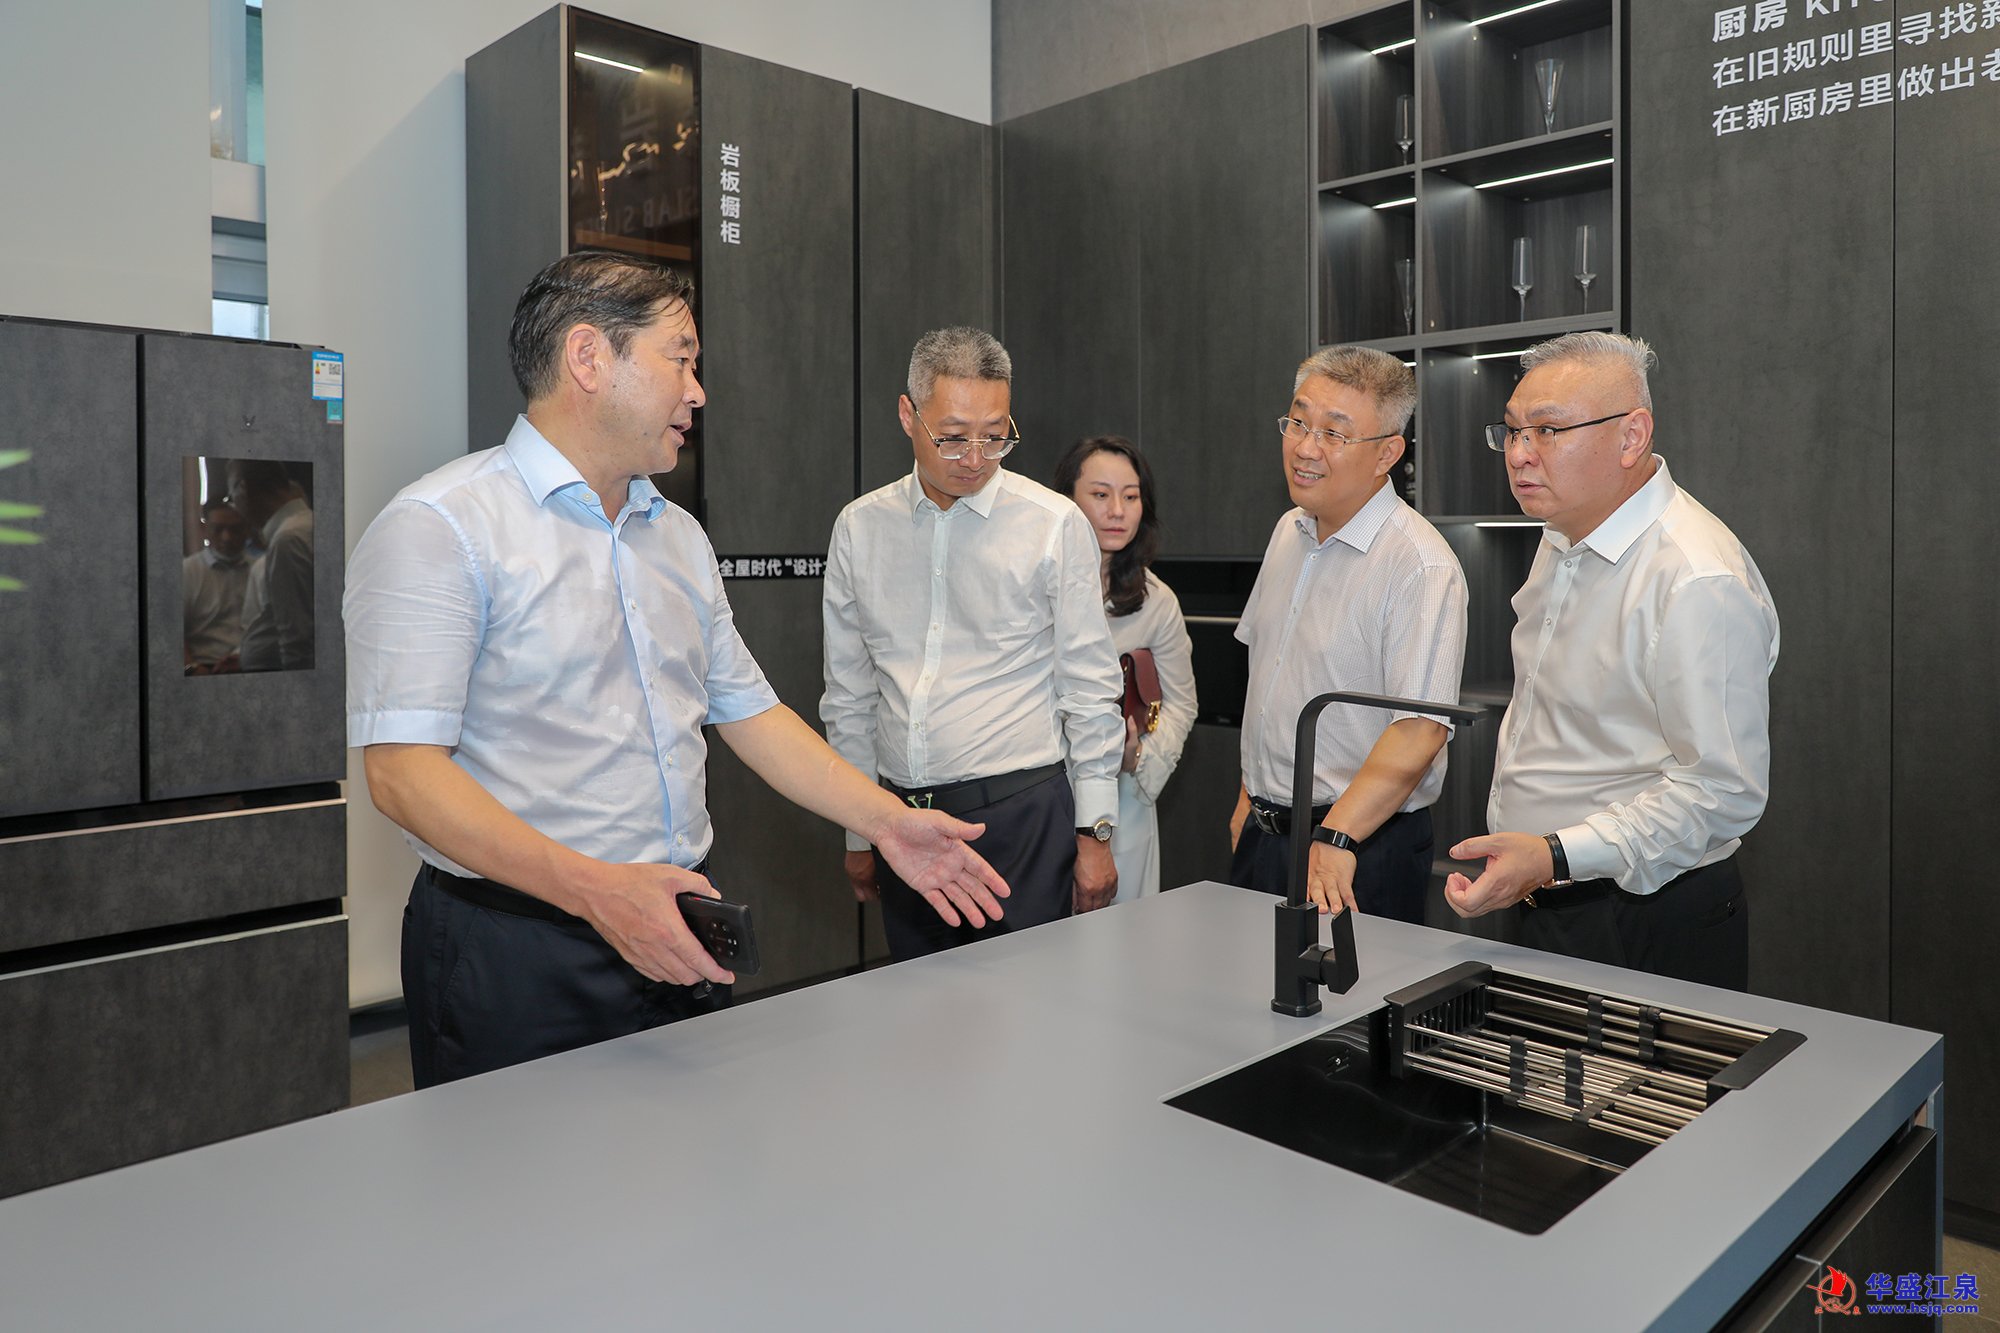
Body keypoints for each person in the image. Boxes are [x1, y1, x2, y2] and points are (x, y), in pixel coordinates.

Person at [344, 253, 1008, 1088]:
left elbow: (750, 713)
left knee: (687, 1161)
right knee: (520, 1175)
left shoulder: (678, 536)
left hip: (676, 925)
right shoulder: (441, 527)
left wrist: (889, 821)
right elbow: (402, 773)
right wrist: (596, 892)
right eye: (681, 358)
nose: (697, 392)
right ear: (589, 358)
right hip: (515, 947)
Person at [1444, 332, 1779, 992]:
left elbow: (1724, 791)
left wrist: (1556, 853)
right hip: (1547, 894)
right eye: (1512, 431)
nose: (1519, 454)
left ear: (1631, 437)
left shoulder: (1695, 578)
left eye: (1546, 431)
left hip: (1644, 913)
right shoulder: (1562, 532)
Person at [821, 327, 1125, 961]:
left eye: (995, 435)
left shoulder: (1052, 524)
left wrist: (1095, 833)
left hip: (1020, 817)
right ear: (908, 415)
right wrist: (859, 830)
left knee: (1031, 1003)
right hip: (902, 820)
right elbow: (849, 696)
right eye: (954, 437)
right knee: (917, 1007)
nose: (976, 458)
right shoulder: (860, 527)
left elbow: (1090, 687)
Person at [1228, 346, 1468, 923]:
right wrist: (1248, 798)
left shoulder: (1419, 564)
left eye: (1334, 434)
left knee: (1353, 988)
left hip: (1357, 846)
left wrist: (1337, 836)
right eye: (1298, 422)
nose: (1305, 448)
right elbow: (1270, 680)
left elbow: (1420, 730)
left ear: (1388, 453)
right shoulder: (1288, 530)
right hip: (1266, 831)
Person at [1053, 435, 1197, 902]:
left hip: (1122, 797)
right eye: (1100, 494)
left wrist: (1139, 758)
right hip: (1041, 792)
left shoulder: (1156, 601)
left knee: (1120, 933)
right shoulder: (1033, 584)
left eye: (1131, 497)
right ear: (1067, 500)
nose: (1117, 511)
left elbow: (1181, 704)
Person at [228, 459, 315, 671]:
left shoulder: (288, 539)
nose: (235, 508)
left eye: (230, 498)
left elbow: (297, 638)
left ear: (243, 489)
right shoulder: (305, 525)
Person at [182, 497, 251, 674]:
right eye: (218, 529)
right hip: (204, 667)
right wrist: (192, 667)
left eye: (235, 529)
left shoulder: (261, 570)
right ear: (204, 528)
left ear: (247, 529)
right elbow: (170, 630)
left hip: (253, 664)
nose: (226, 537)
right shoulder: (187, 572)